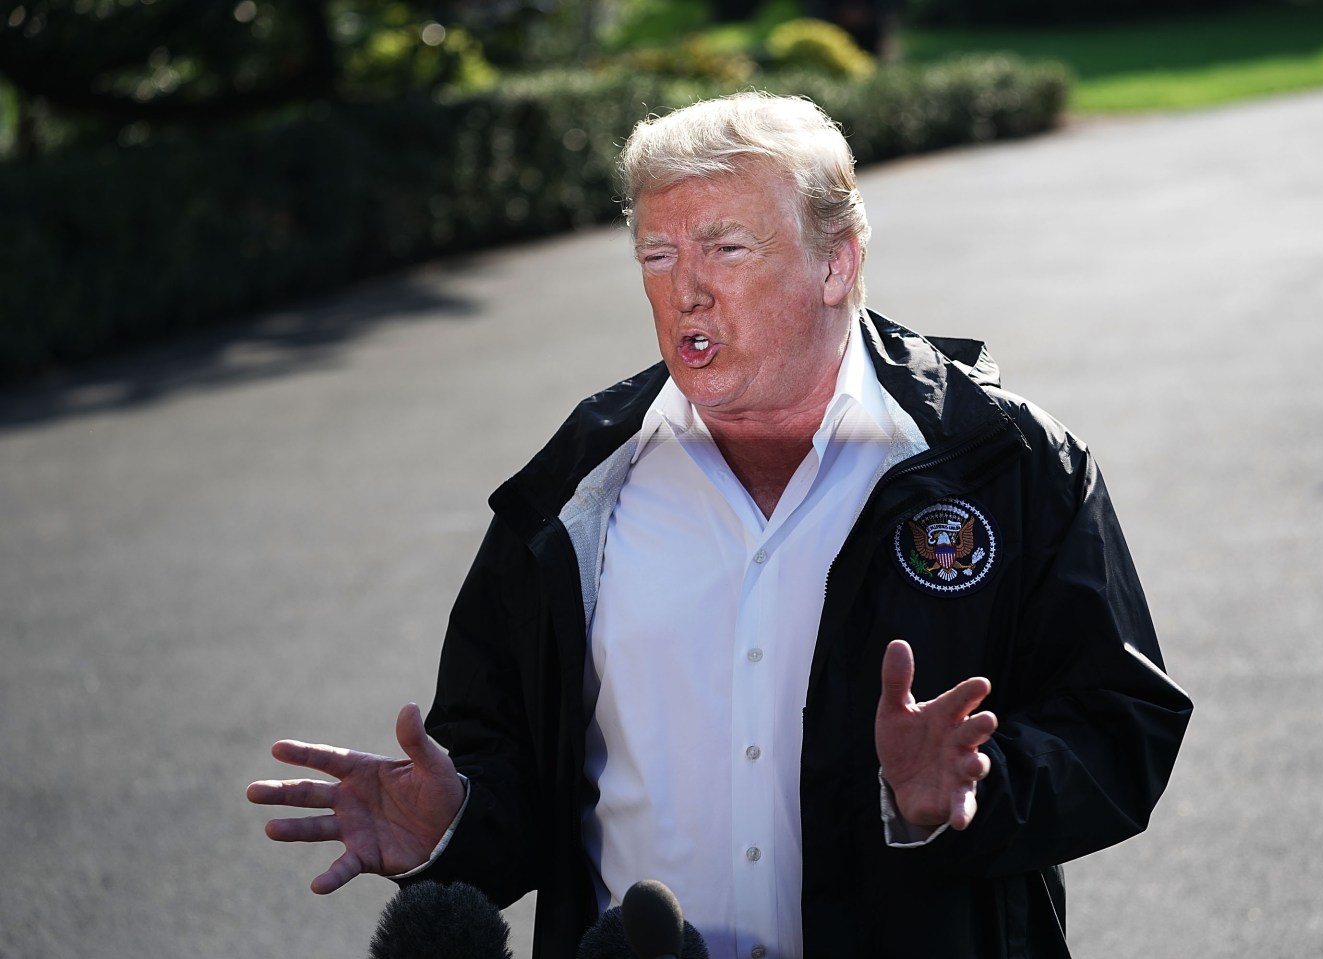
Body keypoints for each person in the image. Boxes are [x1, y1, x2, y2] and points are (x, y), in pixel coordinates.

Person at [248, 92, 1192, 959]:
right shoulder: (578, 484)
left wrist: (960, 791)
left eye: (726, 249)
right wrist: (454, 823)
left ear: (838, 262)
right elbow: (509, 765)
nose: (685, 291)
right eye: (658, 256)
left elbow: (1123, 724)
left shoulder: (1003, 461)